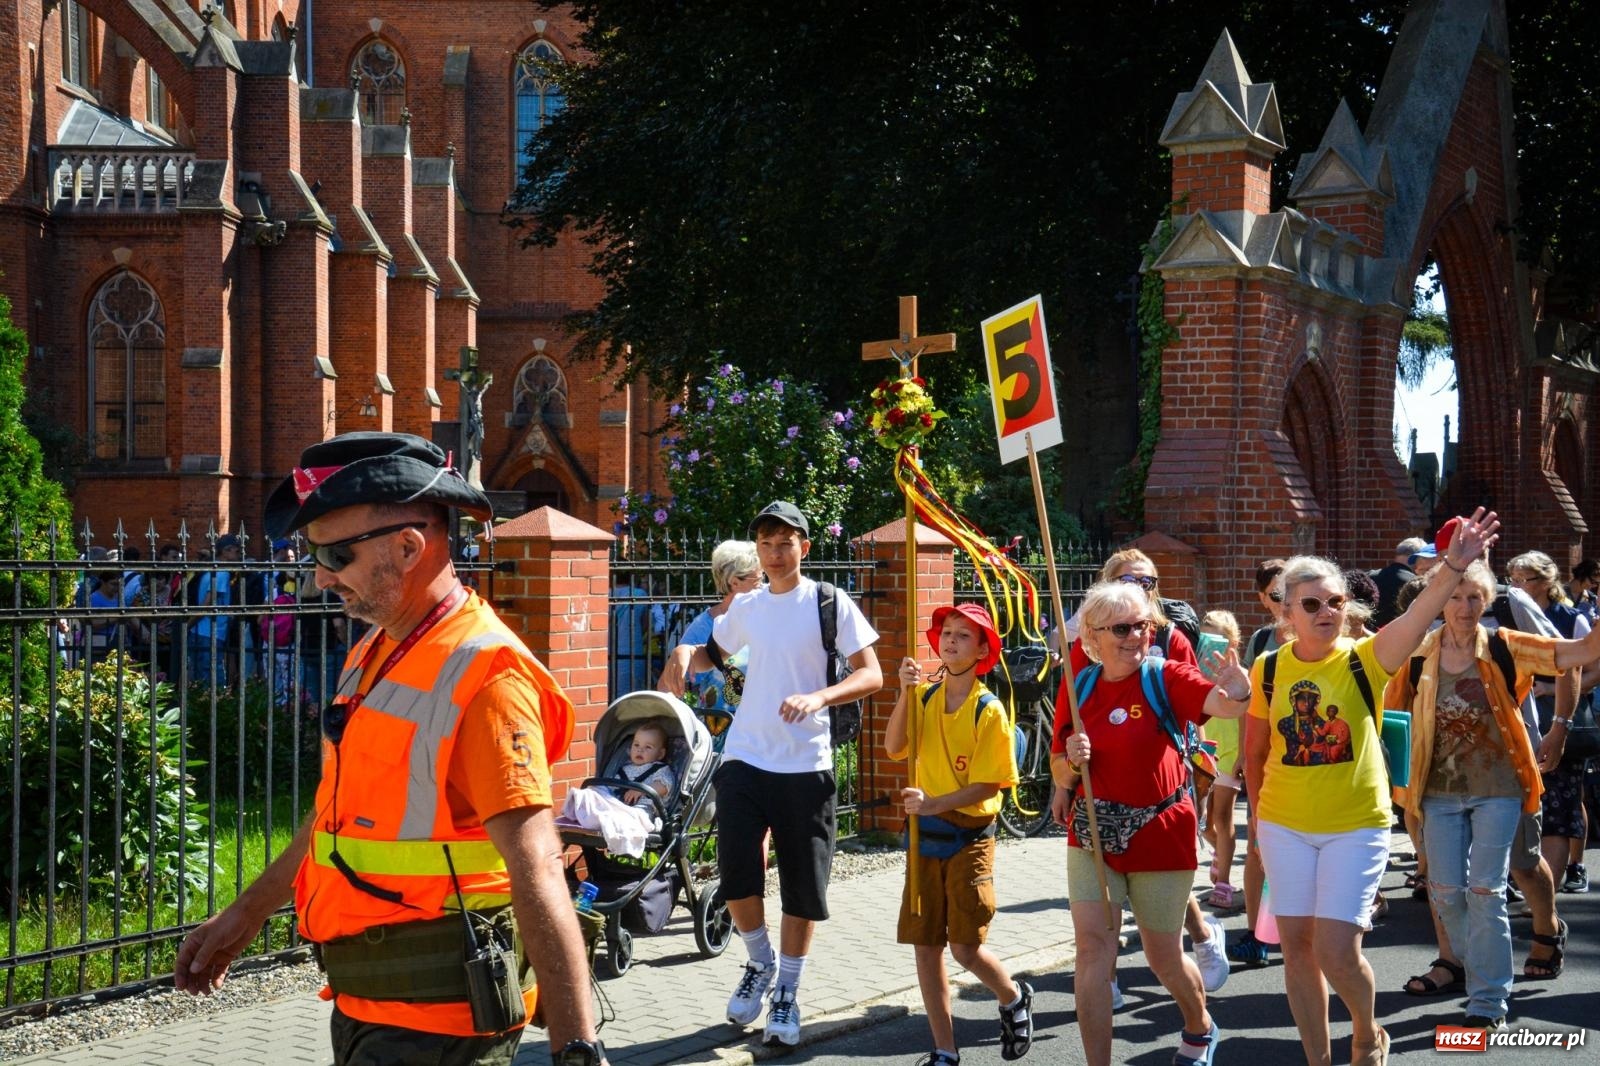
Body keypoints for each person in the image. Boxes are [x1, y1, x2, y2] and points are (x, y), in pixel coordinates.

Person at [173, 432, 608, 1066]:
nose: (320, 577)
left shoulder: (488, 676)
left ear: (409, 547)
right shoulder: (376, 652)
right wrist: (245, 915)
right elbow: (334, 821)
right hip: (367, 1009)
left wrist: (576, 1050)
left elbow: (537, 865)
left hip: (442, 1024)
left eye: (337, 555)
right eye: (312, 554)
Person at [1243, 508, 1498, 1066]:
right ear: (1286, 612)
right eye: (1311, 604)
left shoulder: (1366, 660)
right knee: (1297, 951)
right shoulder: (1267, 669)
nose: (1327, 612)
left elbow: (1421, 614)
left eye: (1335, 601)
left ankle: (1364, 1029)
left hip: (1355, 827)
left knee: (1336, 951)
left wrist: (1452, 567)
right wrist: (1258, 827)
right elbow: (1255, 754)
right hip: (1285, 825)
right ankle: (1318, 1058)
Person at [660, 500, 882, 1048]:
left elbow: (872, 674)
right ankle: (759, 963)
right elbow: (715, 651)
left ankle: (787, 989)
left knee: (802, 889)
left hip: (806, 763)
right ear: (756, 550)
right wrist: (688, 654)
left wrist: (819, 697)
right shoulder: (750, 605)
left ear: (804, 548)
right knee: (737, 872)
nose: (776, 552)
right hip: (745, 756)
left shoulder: (829, 602)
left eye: (786, 543)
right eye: (766, 543)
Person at [1383, 558, 1600, 1030]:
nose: (1464, 607)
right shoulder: (1418, 651)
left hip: (1500, 788)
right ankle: (1469, 961)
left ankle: (1488, 999)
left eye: (1474, 597)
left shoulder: (1506, 645)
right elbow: (1386, 710)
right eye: (1454, 597)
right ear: (1440, 602)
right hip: (1435, 791)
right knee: (1445, 890)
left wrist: (1559, 726)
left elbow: (1579, 654)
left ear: (1488, 602)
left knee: (1486, 889)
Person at [1049, 580, 1252, 1066]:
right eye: (1122, 627)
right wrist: (1071, 762)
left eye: (1143, 625)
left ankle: (1200, 1025)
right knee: (1094, 952)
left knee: (1163, 958)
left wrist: (1239, 692)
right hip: (1093, 834)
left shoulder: (1168, 676)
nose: (1136, 635)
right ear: (1093, 637)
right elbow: (1059, 766)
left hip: (1160, 832)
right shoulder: (1079, 686)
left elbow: (1221, 704)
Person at [886, 603, 1031, 1066]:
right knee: (926, 946)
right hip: (924, 838)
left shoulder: (988, 711)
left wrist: (933, 803)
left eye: (964, 635)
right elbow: (894, 747)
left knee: (966, 947)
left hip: (969, 838)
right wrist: (905, 693)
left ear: (983, 649)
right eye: (946, 632)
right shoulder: (926, 697)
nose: (950, 640)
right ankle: (944, 1050)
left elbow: (990, 784)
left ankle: (1011, 996)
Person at [1507, 550, 1596, 895]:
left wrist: (1549, 687)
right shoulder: (1508, 616)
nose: (1514, 586)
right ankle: (1527, 880)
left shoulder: (1572, 619)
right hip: (1520, 725)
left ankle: (1555, 886)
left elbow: (1592, 669)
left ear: (1545, 582)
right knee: (1527, 806)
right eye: (1511, 578)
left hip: (1562, 724)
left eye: (1522, 579)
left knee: (1562, 806)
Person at [678, 540, 762, 748]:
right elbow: (676, 683)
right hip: (721, 733)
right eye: (758, 578)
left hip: (765, 731)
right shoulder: (704, 627)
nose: (763, 583)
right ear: (735, 582)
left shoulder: (769, 616)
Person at [1198, 610, 1243, 910]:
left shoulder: (1240, 672)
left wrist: (1243, 754)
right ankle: (1219, 852)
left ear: (1231, 641)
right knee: (1202, 823)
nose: (1210, 641)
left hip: (1228, 751)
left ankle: (1224, 881)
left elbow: (1245, 714)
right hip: (1202, 748)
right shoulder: (1195, 668)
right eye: (1205, 633)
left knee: (1222, 817)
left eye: (1218, 636)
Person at [611, 719, 677, 807]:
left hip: (643, 809)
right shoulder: (624, 769)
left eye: (648, 747)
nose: (640, 750)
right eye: (636, 745)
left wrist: (641, 790)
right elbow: (611, 788)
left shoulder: (660, 769)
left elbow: (665, 785)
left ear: (660, 754)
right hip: (617, 807)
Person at [1371, 537, 1425, 628]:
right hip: (1399, 635)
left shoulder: (1371, 576)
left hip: (1368, 636)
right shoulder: (1415, 583)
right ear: (1417, 557)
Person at [1566, 559, 1598, 624]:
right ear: (1582, 574)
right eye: (1592, 581)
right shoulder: (1558, 593)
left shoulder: (1592, 599)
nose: (1594, 586)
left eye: (1597, 584)